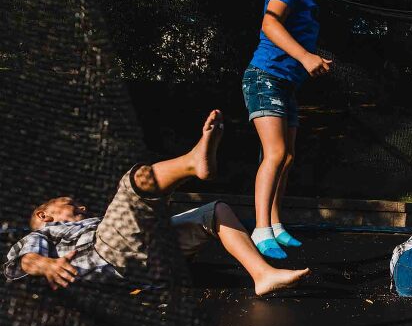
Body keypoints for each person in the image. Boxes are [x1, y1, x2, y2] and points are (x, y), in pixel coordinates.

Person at [3, 110, 310, 296]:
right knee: (131, 183)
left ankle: (262, 275)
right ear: (45, 215)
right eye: (71, 204)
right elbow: (23, 260)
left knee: (214, 212)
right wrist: (48, 266)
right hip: (105, 254)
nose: (82, 207)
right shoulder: (44, 235)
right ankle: (192, 163)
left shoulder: (92, 223)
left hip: (149, 261)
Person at [242, 0, 339, 259]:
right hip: (264, 77)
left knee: (286, 157)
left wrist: (314, 61)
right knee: (276, 153)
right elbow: (270, 24)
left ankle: (274, 222)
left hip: (284, 85)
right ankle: (260, 230)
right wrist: (305, 56)